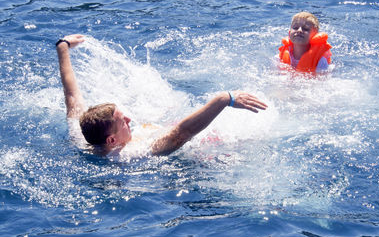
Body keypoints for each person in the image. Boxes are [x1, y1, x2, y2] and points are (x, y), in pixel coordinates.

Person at [56, 34, 267, 156]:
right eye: (123, 122)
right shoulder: (132, 154)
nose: (129, 119)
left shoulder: (81, 136)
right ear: (112, 140)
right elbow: (180, 134)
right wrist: (224, 99)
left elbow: (73, 99)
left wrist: (63, 46)